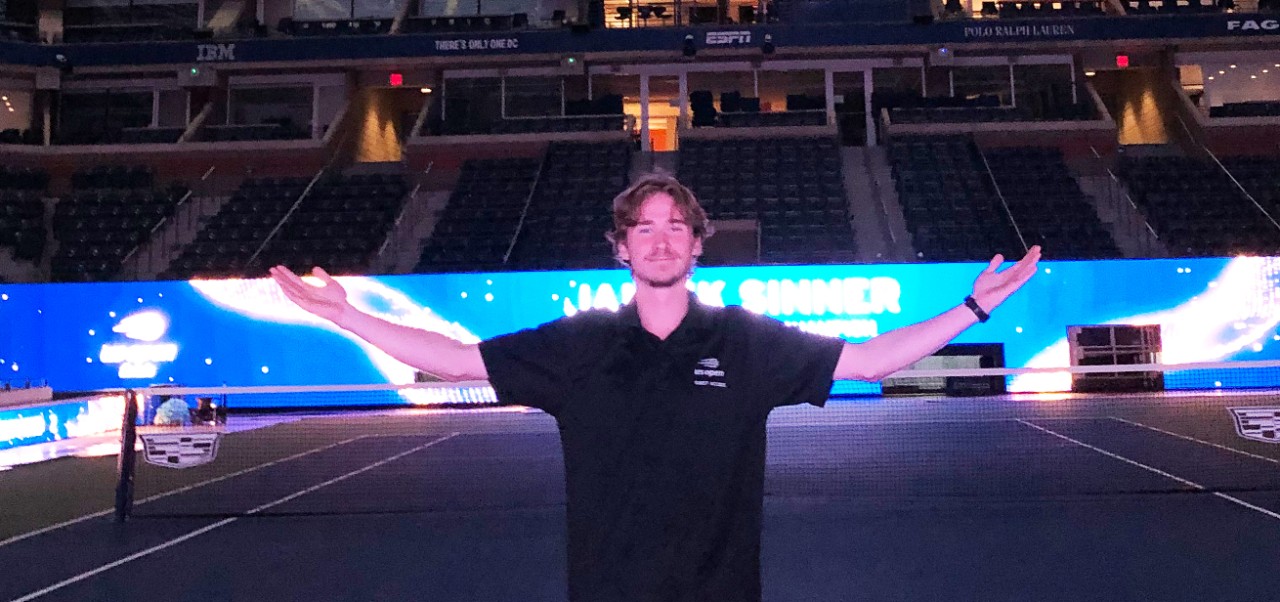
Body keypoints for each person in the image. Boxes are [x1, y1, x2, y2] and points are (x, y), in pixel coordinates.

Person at [269, 172, 1041, 602]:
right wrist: (348, 317)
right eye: (645, 226)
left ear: (699, 244)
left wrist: (971, 308)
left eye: (676, 225)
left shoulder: (745, 340)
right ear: (622, 247)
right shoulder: (580, 346)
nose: (662, 237)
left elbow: (869, 361)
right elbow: (453, 360)